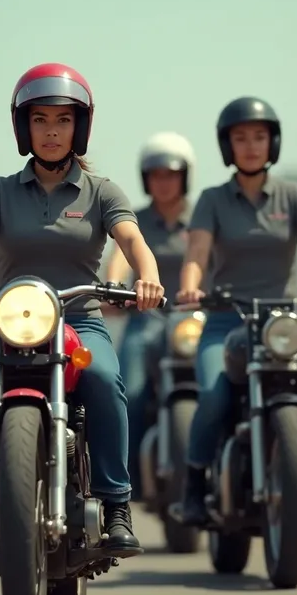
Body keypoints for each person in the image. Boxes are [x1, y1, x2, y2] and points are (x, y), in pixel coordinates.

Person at [0, 62, 165, 559]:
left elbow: (133, 239)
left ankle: (116, 506)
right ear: (24, 127)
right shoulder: (0, 190)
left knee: (107, 380)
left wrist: (147, 276)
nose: (51, 131)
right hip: (8, 322)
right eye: (41, 120)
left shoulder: (101, 191)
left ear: (79, 127)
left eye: (63, 120)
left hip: (79, 320)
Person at [177, 96, 297, 525]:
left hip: (285, 324)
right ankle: (194, 485)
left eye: (259, 137)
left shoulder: (293, 195)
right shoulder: (212, 199)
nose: (250, 146)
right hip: (228, 321)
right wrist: (191, 288)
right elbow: (197, 253)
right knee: (212, 396)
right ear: (228, 146)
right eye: (240, 138)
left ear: (273, 142)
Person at [106, 132, 195, 498]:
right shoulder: (134, 220)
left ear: (185, 176)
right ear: (146, 179)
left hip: (194, 323)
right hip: (147, 321)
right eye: (156, 174)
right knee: (130, 389)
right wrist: (114, 287)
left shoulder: (201, 221)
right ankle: (124, 485)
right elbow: (117, 262)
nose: (164, 181)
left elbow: (216, 266)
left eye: (171, 174)